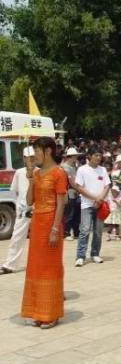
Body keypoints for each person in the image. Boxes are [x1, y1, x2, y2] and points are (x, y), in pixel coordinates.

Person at [21, 137, 67, 329]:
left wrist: (55, 229)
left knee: (50, 268)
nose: (34, 156)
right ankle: (38, 313)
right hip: (38, 224)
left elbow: (61, 204)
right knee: (36, 268)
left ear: (48, 151)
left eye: (37, 151)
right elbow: (29, 201)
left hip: (51, 223)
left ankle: (51, 313)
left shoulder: (59, 173)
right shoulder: (37, 174)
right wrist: (31, 180)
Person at [0, 147, 36, 275]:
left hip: (37, 210)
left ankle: (39, 264)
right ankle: (10, 265)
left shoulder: (40, 172)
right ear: (24, 159)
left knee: (39, 239)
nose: (31, 160)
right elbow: (16, 191)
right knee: (17, 237)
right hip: (23, 211)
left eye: (33, 158)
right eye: (29, 158)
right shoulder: (19, 173)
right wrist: (22, 205)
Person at [74, 146, 111, 267]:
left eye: (100, 156)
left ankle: (95, 254)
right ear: (89, 156)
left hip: (100, 205)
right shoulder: (82, 170)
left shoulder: (103, 170)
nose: (98, 158)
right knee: (84, 230)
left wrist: (100, 199)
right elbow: (79, 187)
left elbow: (107, 186)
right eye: (96, 155)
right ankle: (80, 256)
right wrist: (95, 198)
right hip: (87, 205)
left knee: (98, 231)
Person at [62, 148, 81, 241]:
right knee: (69, 213)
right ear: (71, 157)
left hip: (75, 192)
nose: (76, 158)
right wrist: (80, 189)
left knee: (76, 214)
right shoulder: (65, 167)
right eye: (75, 156)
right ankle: (66, 233)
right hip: (69, 192)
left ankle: (76, 232)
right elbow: (71, 181)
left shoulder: (73, 167)